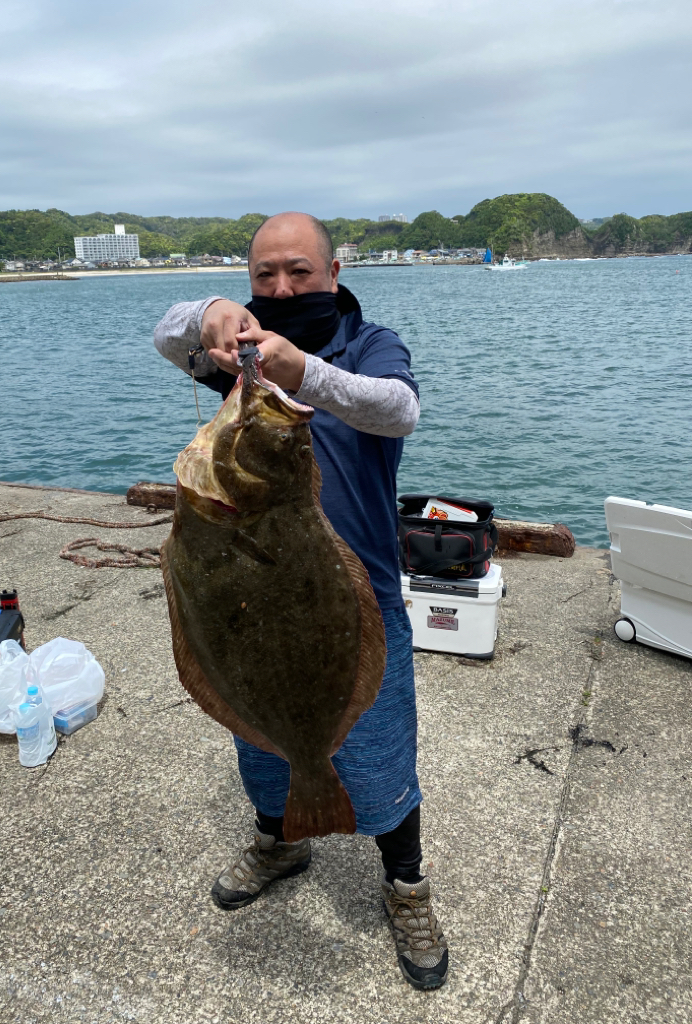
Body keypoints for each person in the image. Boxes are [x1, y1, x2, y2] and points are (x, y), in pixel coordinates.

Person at [153, 212, 448, 991]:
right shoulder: (237, 355)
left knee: (381, 761)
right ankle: (281, 840)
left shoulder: (368, 346)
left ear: (334, 273)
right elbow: (166, 335)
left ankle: (406, 886)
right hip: (249, 610)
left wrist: (303, 374)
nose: (281, 288)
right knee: (264, 746)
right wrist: (210, 313)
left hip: (359, 606)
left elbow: (398, 409)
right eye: (263, 277)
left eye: (299, 272)